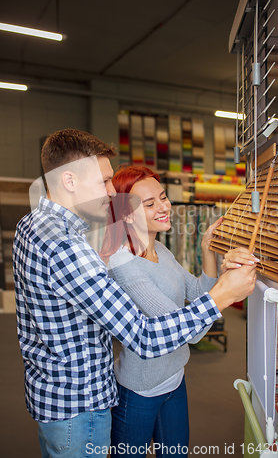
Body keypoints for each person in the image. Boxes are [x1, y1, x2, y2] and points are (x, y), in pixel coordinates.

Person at [12, 128, 256, 458]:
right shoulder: (71, 248)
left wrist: (209, 256)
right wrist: (224, 295)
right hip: (80, 405)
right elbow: (143, 336)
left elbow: (193, 294)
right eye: (104, 182)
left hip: (58, 393)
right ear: (69, 181)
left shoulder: (34, 224)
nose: (113, 193)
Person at [100, 165, 258, 458]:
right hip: (139, 391)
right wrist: (226, 293)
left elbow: (197, 295)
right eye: (150, 204)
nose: (165, 207)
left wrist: (207, 249)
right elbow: (192, 332)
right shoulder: (124, 266)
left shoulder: (160, 249)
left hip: (174, 380)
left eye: (163, 197)